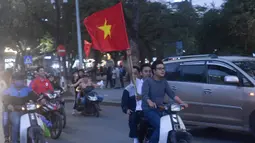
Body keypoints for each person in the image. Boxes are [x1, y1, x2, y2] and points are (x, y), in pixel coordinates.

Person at [142, 60, 188, 143]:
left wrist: (182, 103)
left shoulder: (164, 81)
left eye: (163, 68)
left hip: (161, 108)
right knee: (161, 127)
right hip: (149, 109)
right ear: (154, 71)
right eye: (159, 69)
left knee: (172, 125)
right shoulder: (148, 81)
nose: (162, 70)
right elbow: (144, 95)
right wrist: (149, 102)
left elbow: (172, 95)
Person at [2, 73, 39, 143]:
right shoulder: (9, 90)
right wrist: (8, 105)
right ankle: (14, 141)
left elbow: (35, 96)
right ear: (13, 81)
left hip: (26, 111)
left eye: (21, 80)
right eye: (18, 80)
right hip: (14, 111)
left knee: (34, 121)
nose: (20, 81)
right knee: (16, 122)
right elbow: (4, 99)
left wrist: (41, 100)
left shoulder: (27, 89)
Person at [121, 66, 140, 143]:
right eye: (132, 74)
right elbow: (124, 104)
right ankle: (135, 138)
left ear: (139, 74)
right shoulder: (127, 89)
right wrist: (127, 110)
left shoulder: (144, 85)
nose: (134, 76)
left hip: (145, 109)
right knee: (133, 119)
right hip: (134, 111)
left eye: (136, 73)